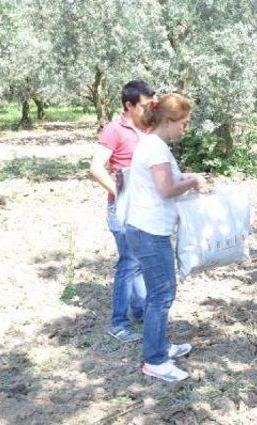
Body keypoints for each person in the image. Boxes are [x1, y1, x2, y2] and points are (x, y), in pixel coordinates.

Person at [124, 93, 208, 382]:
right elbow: (165, 189)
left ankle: (160, 345)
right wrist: (193, 181)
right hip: (151, 231)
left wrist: (186, 177)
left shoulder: (151, 144)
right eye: (183, 124)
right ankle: (155, 360)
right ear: (168, 121)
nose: (185, 129)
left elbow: (166, 180)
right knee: (161, 295)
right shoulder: (156, 149)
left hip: (146, 228)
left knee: (160, 293)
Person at [89, 80, 154, 342]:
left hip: (144, 206)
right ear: (129, 105)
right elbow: (95, 168)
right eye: (145, 105)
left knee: (138, 262)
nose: (151, 109)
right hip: (123, 207)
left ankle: (141, 311)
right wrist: (120, 194)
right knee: (129, 262)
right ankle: (118, 323)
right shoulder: (113, 130)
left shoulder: (147, 129)